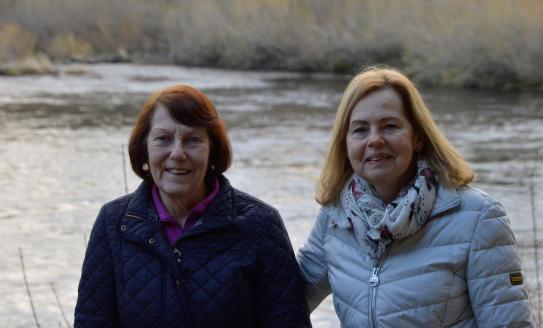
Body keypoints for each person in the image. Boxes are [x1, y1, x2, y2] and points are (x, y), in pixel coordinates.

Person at [297, 67, 534, 327]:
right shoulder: (335, 217)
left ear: (417, 136)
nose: (374, 140)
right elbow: (282, 299)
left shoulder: (478, 217)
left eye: (389, 126)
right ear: (345, 143)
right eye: (360, 130)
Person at [75, 85, 311, 327]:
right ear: (144, 149)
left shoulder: (260, 225)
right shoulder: (114, 223)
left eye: (193, 140)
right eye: (163, 139)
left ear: (213, 151)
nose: (177, 153)